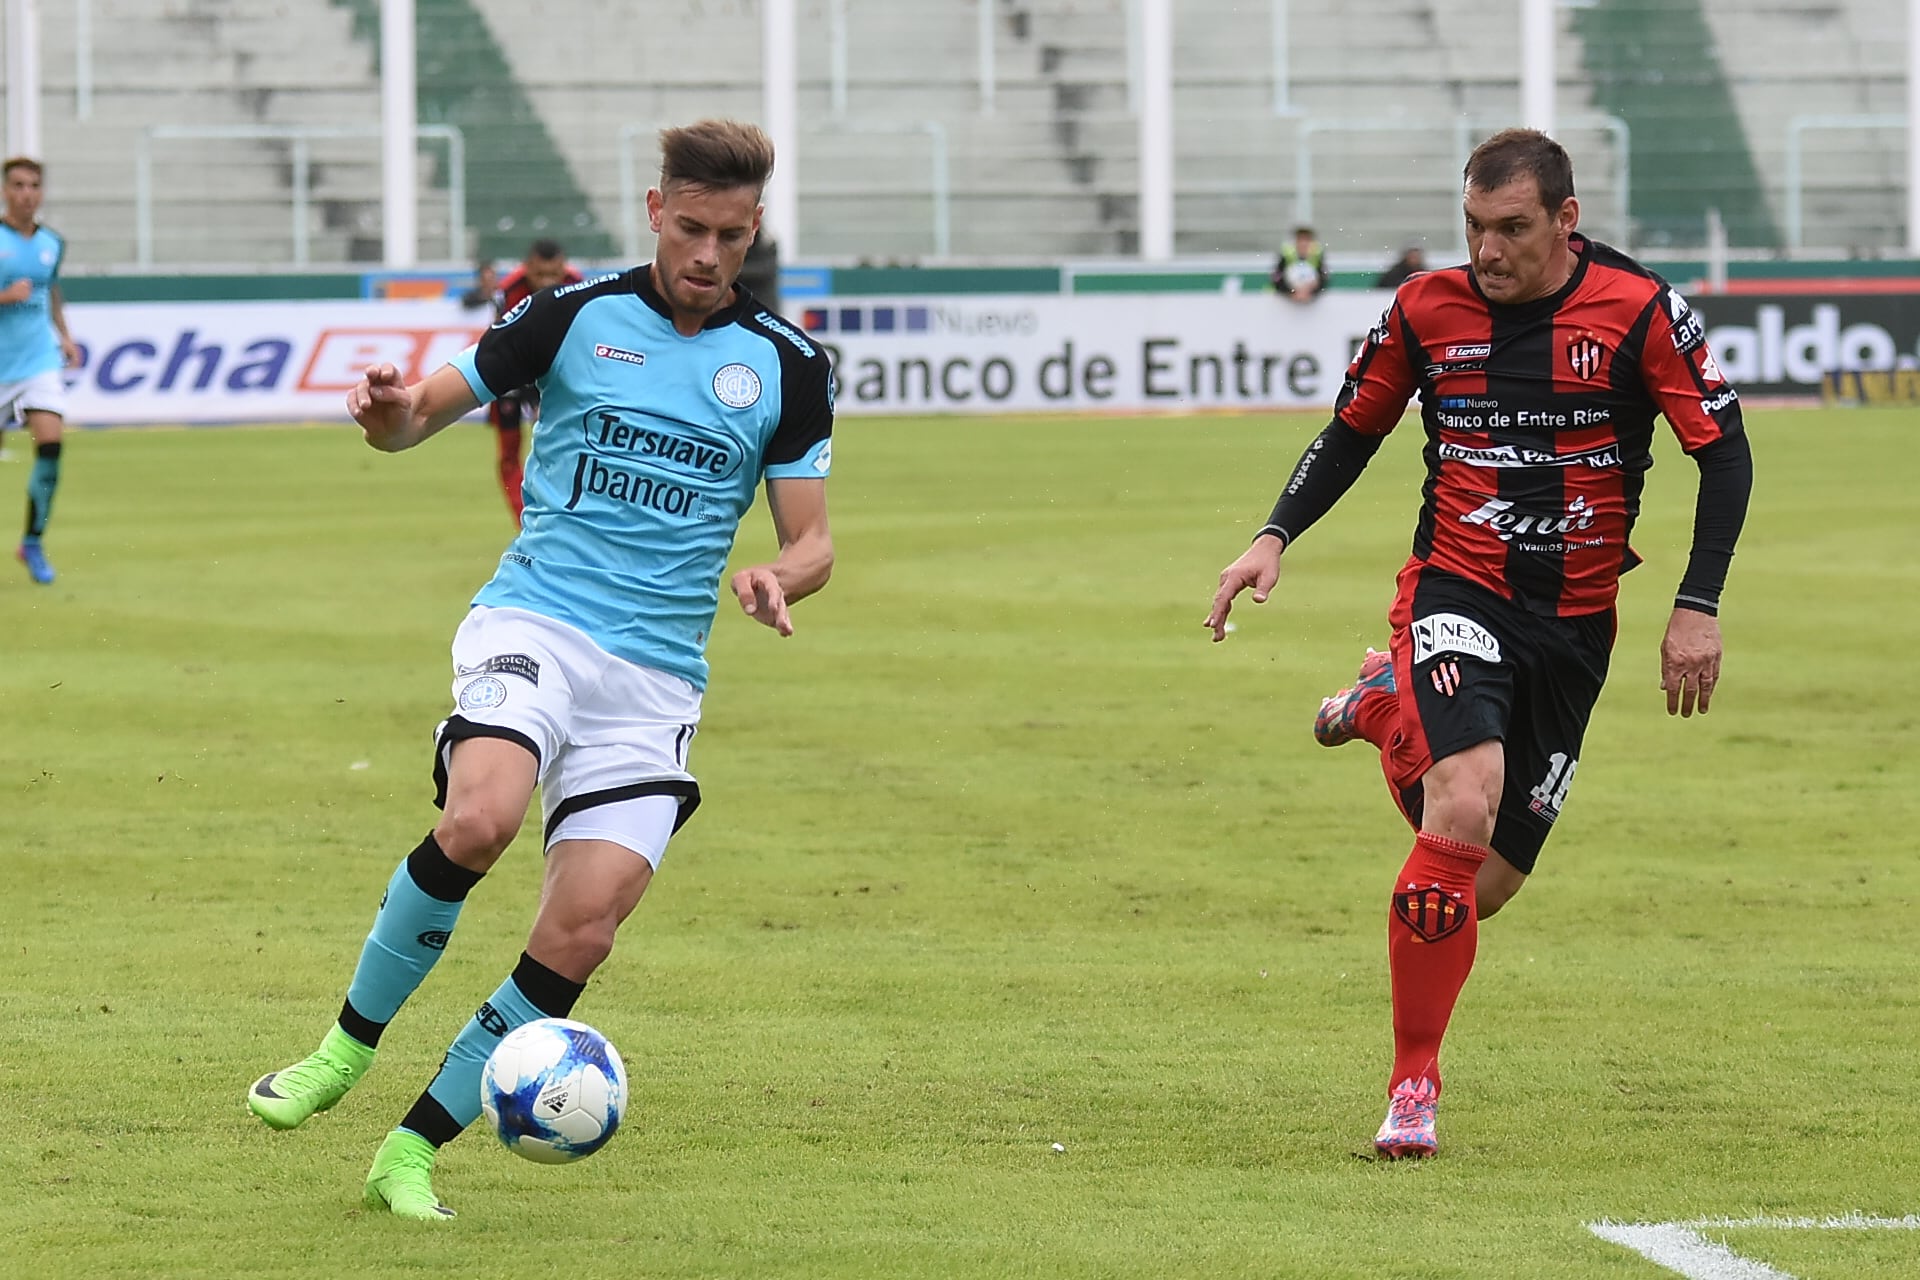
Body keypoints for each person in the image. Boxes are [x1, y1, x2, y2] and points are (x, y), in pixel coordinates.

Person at [245, 119, 836, 1219]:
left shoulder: (792, 366)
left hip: (657, 676)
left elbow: (814, 539)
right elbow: (423, 411)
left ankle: (409, 1151)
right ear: (656, 208)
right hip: (538, 619)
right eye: (692, 227)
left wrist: (780, 575)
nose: (709, 256)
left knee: (586, 925)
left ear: (756, 228)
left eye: (733, 235)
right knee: (482, 818)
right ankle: (341, 1047)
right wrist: (383, 416)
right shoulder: (572, 314)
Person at [1205, 128, 1752, 1160]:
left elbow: (1724, 454)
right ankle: (1414, 1083)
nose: (1488, 250)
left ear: (1565, 220)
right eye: (1474, 227)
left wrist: (1698, 600)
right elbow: (1353, 428)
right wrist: (1273, 533)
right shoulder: (1425, 308)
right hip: (1456, 589)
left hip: (1577, 623)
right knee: (1463, 795)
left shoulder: (1638, 312)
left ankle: (1381, 708)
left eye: (1511, 229)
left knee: (1482, 883)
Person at [0, 157, 81, 585]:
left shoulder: (52, 242)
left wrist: (64, 335)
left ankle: (32, 542)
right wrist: (4, 296)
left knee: (50, 444)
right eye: (17, 185)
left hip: (37, 361)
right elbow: (17, 292)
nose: (26, 193)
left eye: (33, 185)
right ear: (4, 191)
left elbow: (50, 291)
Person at [486, 240, 584, 525]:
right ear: (527, 267)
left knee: (565, 447)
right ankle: (525, 522)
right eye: (540, 274)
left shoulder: (578, 285)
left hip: (558, 371)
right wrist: (531, 395)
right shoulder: (509, 291)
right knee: (508, 451)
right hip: (511, 374)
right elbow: (503, 345)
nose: (548, 282)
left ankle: (565, 515)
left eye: (554, 274)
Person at [1270, 225, 1328, 303]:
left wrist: (1312, 291)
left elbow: (1324, 279)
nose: (1303, 244)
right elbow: (1276, 278)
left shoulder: (1317, 256)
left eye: (1307, 240)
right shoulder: (1286, 255)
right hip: (1284, 304)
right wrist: (1291, 291)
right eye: (1300, 240)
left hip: (1311, 304)